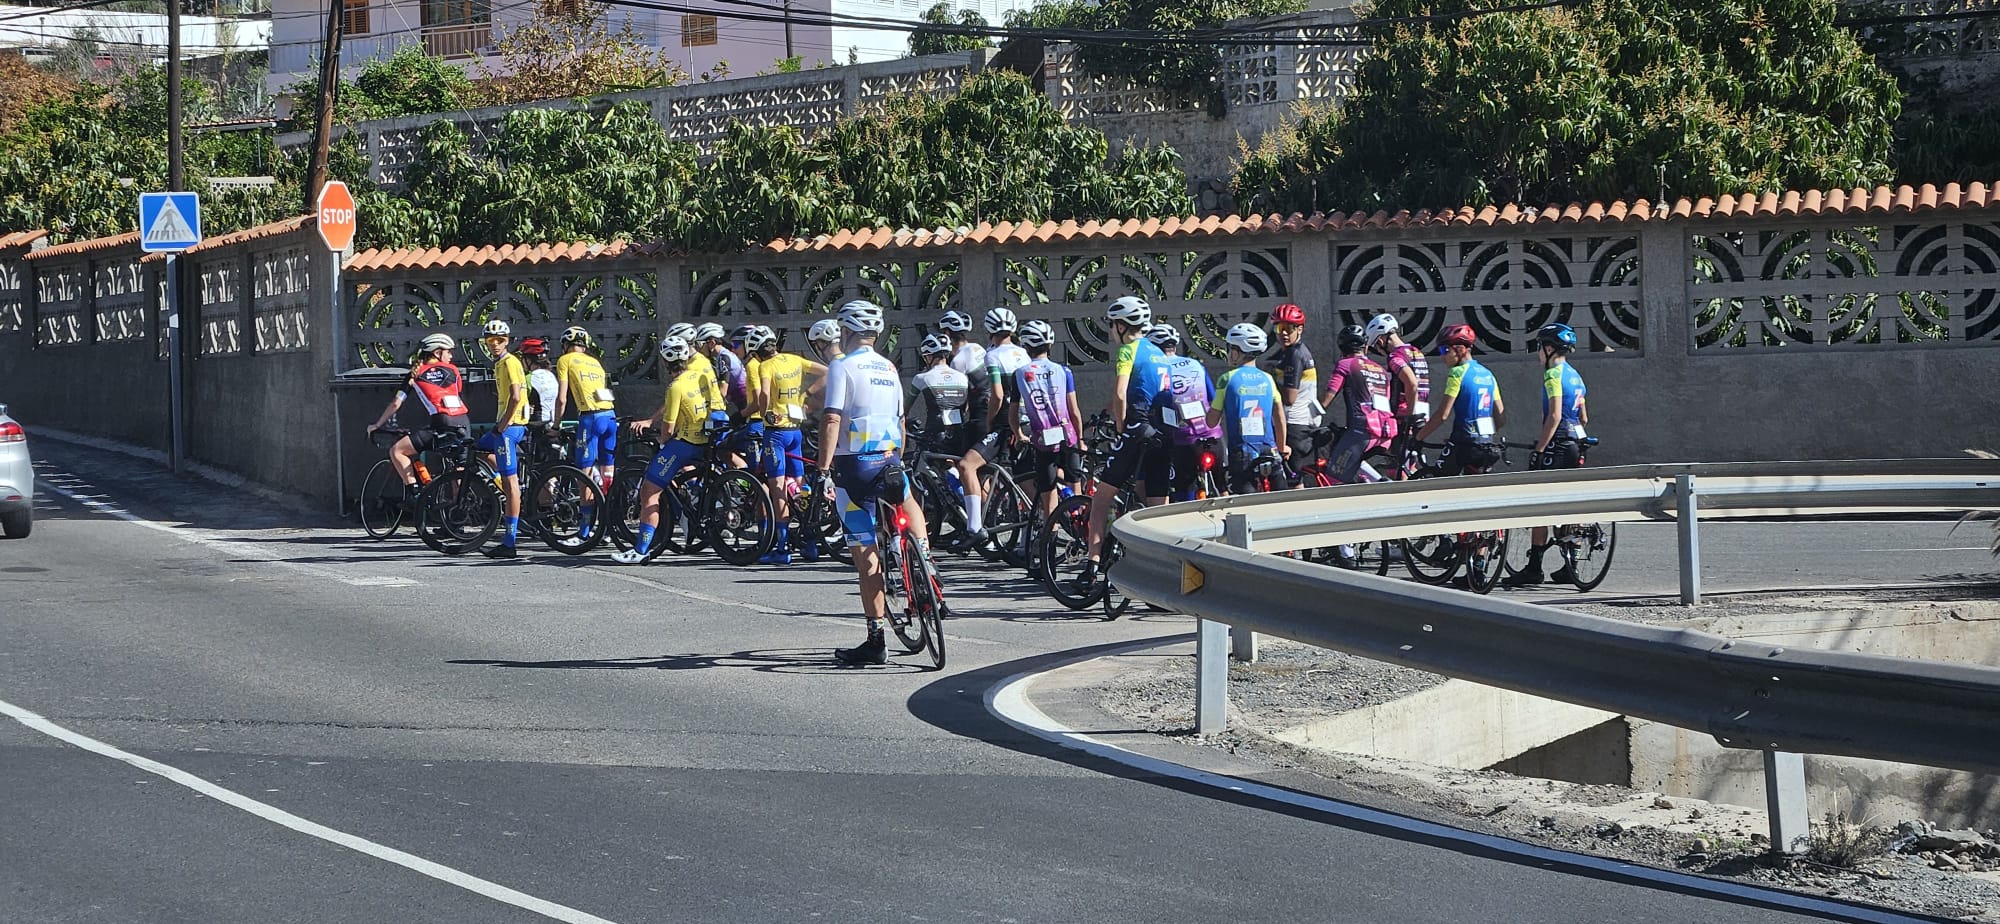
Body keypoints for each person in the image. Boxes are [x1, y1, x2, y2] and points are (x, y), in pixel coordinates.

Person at [819, 300, 928, 666]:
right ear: (877, 334)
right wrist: (895, 457)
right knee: (908, 502)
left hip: (855, 470)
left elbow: (832, 418)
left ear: (845, 332)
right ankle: (925, 565)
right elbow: (900, 423)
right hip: (889, 461)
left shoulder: (842, 367)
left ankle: (875, 639)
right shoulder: (890, 368)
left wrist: (822, 470)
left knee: (867, 561)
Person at [1079, 295, 1171, 589]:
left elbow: (1121, 394)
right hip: (1167, 428)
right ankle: (1160, 572)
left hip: (1139, 423)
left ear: (1120, 325)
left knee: (1102, 497)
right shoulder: (1159, 353)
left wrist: (1120, 428)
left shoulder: (1128, 350)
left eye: (1111, 325)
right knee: (1157, 506)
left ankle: (1091, 565)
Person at [610, 336, 714, 565]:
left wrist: (660, 437)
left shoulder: (675, 387)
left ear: (666, 363)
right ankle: (694, 503)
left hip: (685, 444)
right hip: (707, 439)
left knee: (649, 491)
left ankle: (641, 549)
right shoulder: (698, 376)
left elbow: (668, 428)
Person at [1506, 322, 1589, 587]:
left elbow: (1553, 417)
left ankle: (1534, 568)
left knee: (1539, 504)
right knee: (1568, 503)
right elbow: (1584, 417)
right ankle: (1571, 565)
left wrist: (1539, 449)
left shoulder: (1553, 374)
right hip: (1577, 442)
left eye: (1539, 347)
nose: (1538, 353)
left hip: (1559, 442)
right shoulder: (1576, 375)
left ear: (1550, 348)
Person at [748, 325, 826, 564]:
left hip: (776, 433)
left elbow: (763, 393)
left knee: (778, 489)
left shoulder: (765, 366)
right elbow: (828, 372)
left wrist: (764, 415)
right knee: (800, 486)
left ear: (756, 352)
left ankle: (782, 549)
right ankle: (810, 543)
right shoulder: (794, 359)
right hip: (795, 431)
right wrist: (805, 396)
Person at [366, 332, 470, 498]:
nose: (451, 355)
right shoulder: (454, 370)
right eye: (448, 351)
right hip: (464, 422)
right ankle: (457, 517)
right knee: (458, 470)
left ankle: (415, 492)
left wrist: (377, 425)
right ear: (437, 353)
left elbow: (396, 403)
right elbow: (456, 392)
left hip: (441, 422)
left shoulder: (415, 373)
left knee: (397, 451)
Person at [1012, 319, 1084, 516]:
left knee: (1049, 497)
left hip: (1043, 438)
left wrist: (1019, 435)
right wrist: (1081, 439)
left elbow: (1013, 413)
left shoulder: (1019, 374)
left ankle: (1050, 539)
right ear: (1050, 345)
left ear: (1026, 346)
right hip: (1068, 435)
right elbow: (1074, 411)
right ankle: (1080, 530)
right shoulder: (1064, 371)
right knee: (1076, 491)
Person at [1415, 324, 1506, 476]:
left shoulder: (1457, 373)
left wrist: (1418, 437)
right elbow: (1501, 419)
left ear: (1460, 349)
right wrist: (1480, 436)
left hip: (1464, 443)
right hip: (1486, 445)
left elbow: (1442, 415)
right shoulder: (1488, 374)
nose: (1442, 356)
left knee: (1437, 482)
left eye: (1444, 350)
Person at [1147, 323, 1224, 499]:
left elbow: (1154, 405)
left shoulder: (1158, 369)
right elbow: (1212, 399)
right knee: (1223, 486)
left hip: (1184, 440)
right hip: (1214, 436)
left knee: (1183, 489)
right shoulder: (1195, 364)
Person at [1207, 324, 1286, 494]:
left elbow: (1212, 422)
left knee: (1246, 506)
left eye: (1229, 348)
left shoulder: (1227, 379)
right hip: (1269, 450)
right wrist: (1282, 446)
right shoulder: (1268, 379)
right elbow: (1279, 417)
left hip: (1243, 453)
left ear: (1236, 351)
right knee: (1282, 500)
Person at [473, 319, 529, 559]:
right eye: (490, 340)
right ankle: (501, 483)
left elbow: (516, 397)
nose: (495, 344)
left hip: (509, 428)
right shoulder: (499, 364)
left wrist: (502, 425)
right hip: (505, 427)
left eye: (500, 340)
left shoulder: (509, 362)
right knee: (478, 449)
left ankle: (510, 542)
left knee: (510, 485)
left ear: (508, 341)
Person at [1321, 324, 1398, 485]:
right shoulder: (1380, 370)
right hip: (1386, 432)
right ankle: (1379, 482)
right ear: (1366, 346)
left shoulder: (1345, 364)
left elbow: (1327, 399)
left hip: (1361, 432)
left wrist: (1310, 417)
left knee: (1333, 479)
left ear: (1342, 347)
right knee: (1352, 460)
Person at [554, 325, 617, 492]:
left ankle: (586, 516)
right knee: (607, 471)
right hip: (610, 416)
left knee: (585, 474)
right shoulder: (595, 362)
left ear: (566, 344)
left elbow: (562, 398)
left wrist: (555, 426)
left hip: (591, 418)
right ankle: (608, 508)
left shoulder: (564, 360)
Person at [1367, 314, 1430, 479]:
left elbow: (1412, 383)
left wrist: (1409, 412)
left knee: (1399, 467)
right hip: (1423, 415)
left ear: (1380, 341)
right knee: (1412, 463)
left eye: (1377, 347)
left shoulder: (1395, 357)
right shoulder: (1417, 353)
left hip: (1405, 417)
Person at [1262, 302, 1321, 469]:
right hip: (1301, 422)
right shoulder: (1296, 351)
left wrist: (1269, 382)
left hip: (1293, 424)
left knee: (1292, 480)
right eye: (1279, 328)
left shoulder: (1294, 354)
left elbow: (1289, 398)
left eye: (1289, 328)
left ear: (1300, 329)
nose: (1284, 333)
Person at [520, 338, 559, 427]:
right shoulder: (552, 376)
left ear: (528, 360)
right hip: (554, 424)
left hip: (536, 425)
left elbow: (518, 400)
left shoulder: (528, 378)